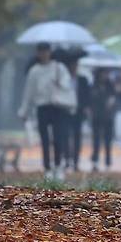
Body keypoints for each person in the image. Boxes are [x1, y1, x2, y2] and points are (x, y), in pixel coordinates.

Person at [18, 42, 74, 179]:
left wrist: (58, 80)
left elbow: (67, 84)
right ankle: (47, 167)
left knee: (58, 137)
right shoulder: (34, 71)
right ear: (37, 53)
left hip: (57, 106)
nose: (44, 54)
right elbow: (29, 93)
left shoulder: (59, 67)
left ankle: (58, 165)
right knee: (44, 138)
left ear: (50, 52)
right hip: (42, 107)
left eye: (46, 51)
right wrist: (24, 111)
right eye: (41, 51)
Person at [64, 58, 90, 172]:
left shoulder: (83, 80)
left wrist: (86, 108)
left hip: (78, 112)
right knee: (65, 136)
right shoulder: (63, 79)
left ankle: (75, 161)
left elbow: (86, 95)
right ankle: (66, 159)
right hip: (66, 111)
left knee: (77, 137)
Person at [89, 68, 116, 171]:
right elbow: (90, 100)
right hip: (97, 116)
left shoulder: (110, 86)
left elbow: (115, 97)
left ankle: (108, 162)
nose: (105, 75)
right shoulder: (93, 86)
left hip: (108, 116)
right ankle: (95, 161)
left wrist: (112, 101)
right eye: (103, 73)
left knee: (108, 140)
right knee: (96, 140)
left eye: (106, 73)